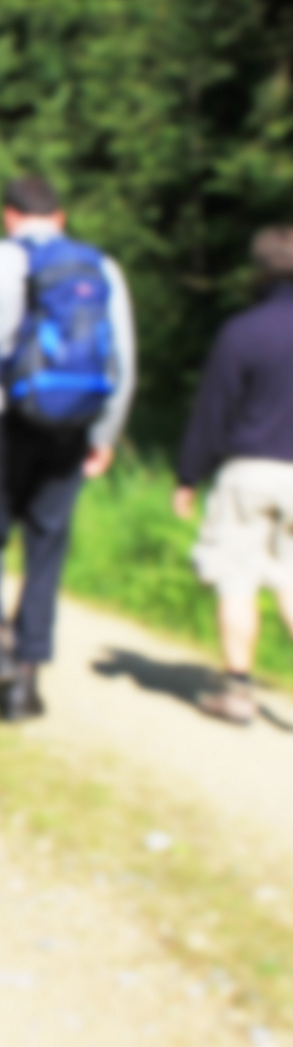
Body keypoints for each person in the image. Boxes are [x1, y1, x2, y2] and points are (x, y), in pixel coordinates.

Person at [0, 176, 137, 719]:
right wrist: (104, 436)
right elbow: (122, 364)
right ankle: (26, 678)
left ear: (8, 215)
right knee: (47, 544)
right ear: (61, 216)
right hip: (72, 426)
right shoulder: (102, 266)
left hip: (0, 417)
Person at [172, 226, 293, 725]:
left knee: (238, 579)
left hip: (247, 471)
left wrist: (188, 475)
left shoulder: (243, 331)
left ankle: (238, 691)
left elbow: (213, 412)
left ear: (260, 270)